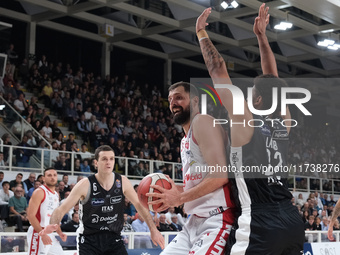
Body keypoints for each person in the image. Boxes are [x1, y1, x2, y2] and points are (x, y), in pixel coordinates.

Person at [195, 4, 304, 254]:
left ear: (256, 100)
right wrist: (262, 38)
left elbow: (217, 69)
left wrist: (201, 32)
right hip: (291, 219)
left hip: (260, 220)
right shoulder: (283, 124)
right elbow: (273, 78)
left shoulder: (246, 121)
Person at [147, 81, 235, 255]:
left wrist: (179, 199)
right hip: (193, 223)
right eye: (170, 99)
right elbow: (199, 183)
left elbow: (220, 175)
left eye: (179, 98)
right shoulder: (184, 140)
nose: (173, 103)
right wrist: (168, 193)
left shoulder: (202, 121)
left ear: (195, 101)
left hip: (217, 219)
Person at [39, 145, 164, 255]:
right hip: (89, 240)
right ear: (96, 163)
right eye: (104, 159)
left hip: (114, 238)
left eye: (111, 159)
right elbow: (61, 210)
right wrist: (51, 225)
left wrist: (153, 229)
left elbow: (139, 205)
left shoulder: (122, 181)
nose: (108, 162)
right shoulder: (85, 184)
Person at [27, 168, 66, 254]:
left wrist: (60, 233)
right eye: (49, 175)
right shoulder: (39, 192)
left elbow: (54, 217)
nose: (52, 177)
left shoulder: (56, 194)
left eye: (54, 175)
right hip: (38, 232)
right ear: (43, 178)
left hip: (50, 233)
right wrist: (42, 234)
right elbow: (30, 215)